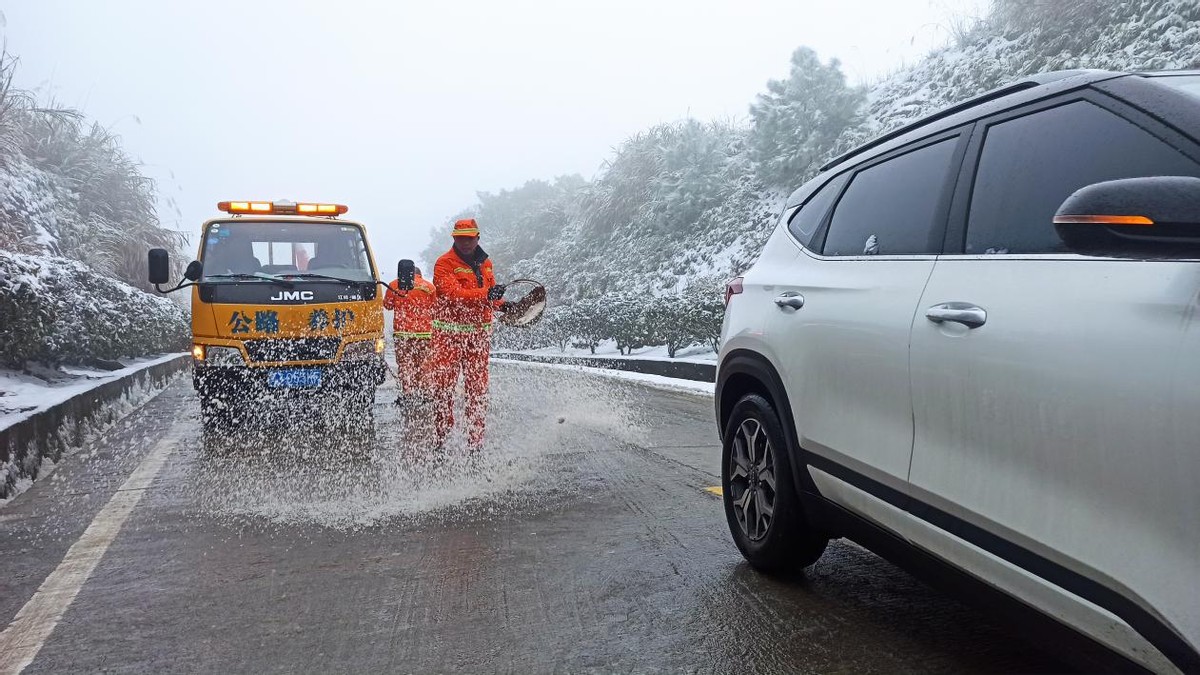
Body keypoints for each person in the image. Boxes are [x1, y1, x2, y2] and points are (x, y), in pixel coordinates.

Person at [424, 218, 507, 451]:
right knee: (443, 389)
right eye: (461, 238)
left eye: (469, 238)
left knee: (478, 391)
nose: (465, 242)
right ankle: (441, 437)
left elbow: (490, 295)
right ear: (454, 239)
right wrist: (488, 294)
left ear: (477, 238)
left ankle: (475, 442)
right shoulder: (443, 263)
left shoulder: (486, 263)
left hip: (478, 340)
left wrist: (503, 304)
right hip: (447, 339)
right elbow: (453, 294)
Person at [382, 265, 435, 400]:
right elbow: (436, 308)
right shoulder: (430, 287)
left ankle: (407, 393)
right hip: (425, 334)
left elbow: (387, 305)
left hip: (403, 334)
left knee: (405, 364)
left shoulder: (394, 285)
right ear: (419, 275)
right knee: (424, 364)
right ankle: (424, 393)